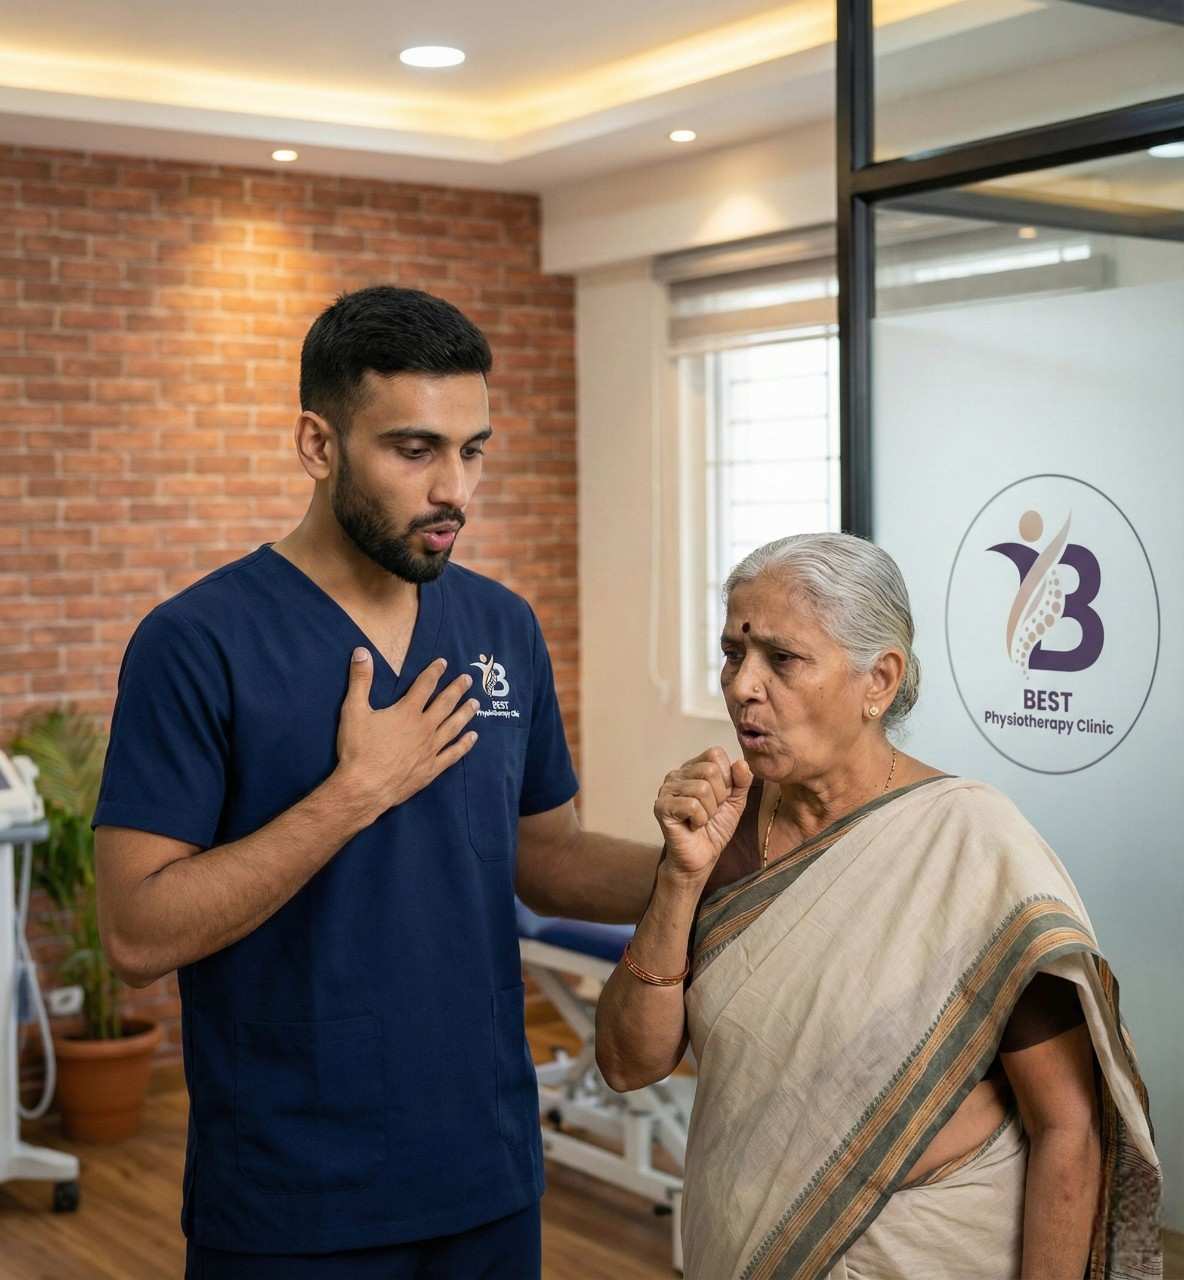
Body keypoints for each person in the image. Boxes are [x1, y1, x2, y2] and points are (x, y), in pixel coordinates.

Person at [93, 286, 659, 1279]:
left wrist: (717, 867)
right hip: (292, 1197)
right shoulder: (196, 643)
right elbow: (137, 932)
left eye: (471, 448)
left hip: (485, 1173)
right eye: (414, 450)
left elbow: (549, 858)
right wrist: (354, 791)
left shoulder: (501, 627)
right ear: (318, 444)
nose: (455, 489)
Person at [595, 532, 1160, 1280]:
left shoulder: (972, 845)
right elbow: (628, 1063)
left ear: (879, 681)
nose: (741, 686)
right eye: (734, 652)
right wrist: (678, 876)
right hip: (738, 1247)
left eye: (782, 660)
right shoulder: (724, 832)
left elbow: (1069, 1125)